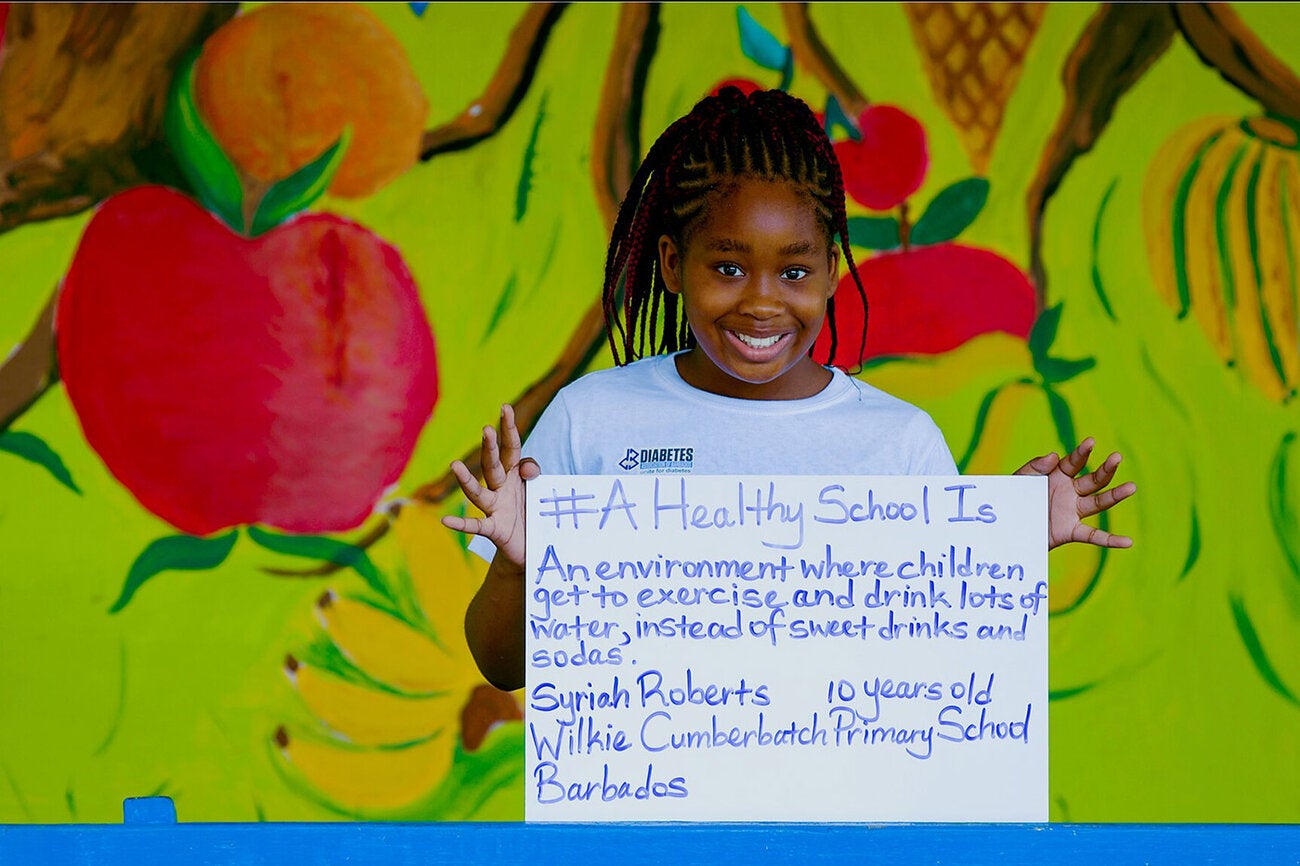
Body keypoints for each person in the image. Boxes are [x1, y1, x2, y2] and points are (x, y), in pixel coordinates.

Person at [442, 87, 1136, 691]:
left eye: (795, 273)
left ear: (832, 272)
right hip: (647, 839)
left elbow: (934, 668)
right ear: (673, 264)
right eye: (728, 267)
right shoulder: (592, 421)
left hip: (835, 842)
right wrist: (516, 571)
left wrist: (996, 550)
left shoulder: (897, 444)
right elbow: (503, 666)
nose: (763, 303)